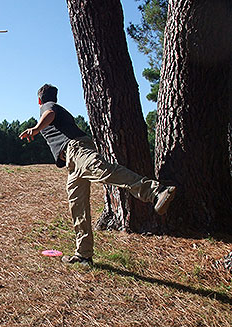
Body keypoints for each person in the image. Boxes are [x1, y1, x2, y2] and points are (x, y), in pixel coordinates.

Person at [19, 84, 176, 266]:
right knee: (77, 205)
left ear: (39, 100)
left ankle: (156, 191)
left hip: (77, 149)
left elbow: (50, 113)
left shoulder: (48, 106)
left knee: (103, 170)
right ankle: (83, 254)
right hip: (72, 161)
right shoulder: (59, 109)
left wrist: (37, 128)